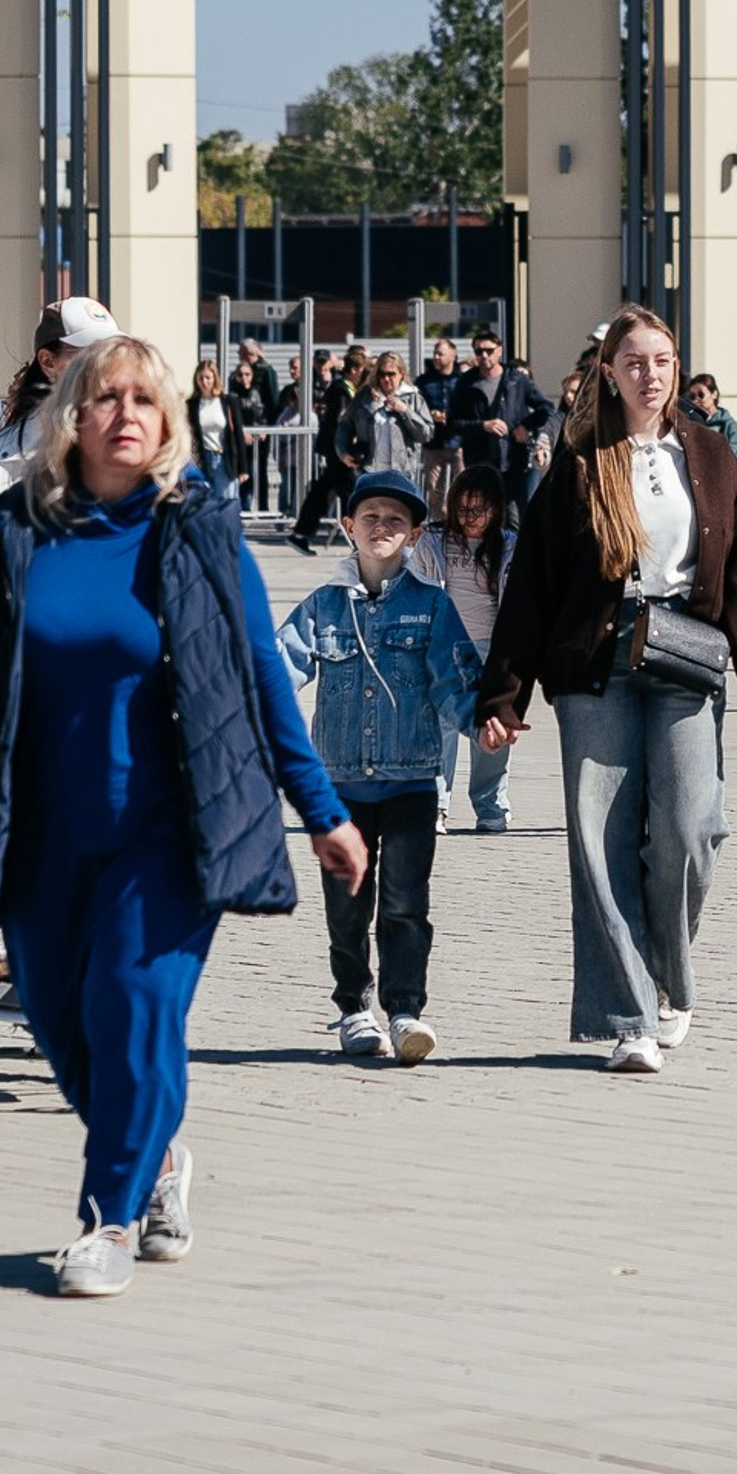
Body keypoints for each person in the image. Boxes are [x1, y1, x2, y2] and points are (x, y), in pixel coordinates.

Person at [0, 333, 367, 1297]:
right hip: (42, 829)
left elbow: (261, 672)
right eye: (105, 398)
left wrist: (323, 811)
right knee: (57, 1022)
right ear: (72, 417)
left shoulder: (197, 527)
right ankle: (162, 1155)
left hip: (172, 826)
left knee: (133, 1009)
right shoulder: (17, 533)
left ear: (168, 421)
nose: (125, 414)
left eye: (144, 400)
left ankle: (110, 1219)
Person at [475, 306, 737, 1075]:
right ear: (609, 374)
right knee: (602, 843)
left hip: (684, 657)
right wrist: (504, 697)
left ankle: (669, 980)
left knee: (690, 831)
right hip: (595, 665)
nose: (650, 374)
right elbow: (533, 584)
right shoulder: (582, 460)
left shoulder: (711, 454)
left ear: (676, 366)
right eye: (634, 363)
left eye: (662, 360)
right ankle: (630, 1018)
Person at [278, 472, 475, 1061]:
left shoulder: (432, 605)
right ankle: (353, 1009)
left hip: (413, 778)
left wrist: (485, 721)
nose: (382, 528)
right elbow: (277, 667)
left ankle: (406, 1010)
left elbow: (455, 679)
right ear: (348, 528)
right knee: (347, 905)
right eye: (371, 517)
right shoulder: (322, 606)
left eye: (396, 520)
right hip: (339, 785)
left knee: (404, 904)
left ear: (413, 534)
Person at [413, 466, 514, 831]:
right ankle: (436, 803)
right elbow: (417, 589)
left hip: (494, 647)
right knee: (440, 727)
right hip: (447, 647)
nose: (470, 519)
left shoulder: (509, 545)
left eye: (479, 510)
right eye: (463, 509)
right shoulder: (432, 542)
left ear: (496, 509)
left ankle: (491, 807)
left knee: (493, 727)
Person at [0, 298, 123, 495]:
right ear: (47, 362)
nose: (104, 366)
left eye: (112, 353)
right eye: (90, 354)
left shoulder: (129, 439)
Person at [449, 331, 552, 505]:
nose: (484, 356)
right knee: (483, 511)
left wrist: (525, 426)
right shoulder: (466, 382)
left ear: (500, 350)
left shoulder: (516, 379)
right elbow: (453, 423)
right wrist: (483, 425)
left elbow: (546, 408)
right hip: (479, 460)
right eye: (479, 351)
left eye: (489, 350)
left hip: (512, 460)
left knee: (513, 517)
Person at [288, 344, 368, 552]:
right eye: (363, 371)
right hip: (339, 453)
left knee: (322, 491)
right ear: (353, 370)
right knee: (352, 496)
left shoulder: (345, 389)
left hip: (335, 452)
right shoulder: (341, 390)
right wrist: (345, 450)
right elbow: (340, 423)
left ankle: (301, 534)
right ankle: (360, 539)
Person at [344, 350, 431, 484]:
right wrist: (343, 452)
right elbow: (345, 425)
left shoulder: (414, 398)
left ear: (402, 374)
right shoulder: (365, 397)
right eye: (382, 374)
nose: (386, 379)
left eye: (391, 374)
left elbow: (426, 434)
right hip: (369, 471)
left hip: (401, 473)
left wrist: (405, 411)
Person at [186, 359, 249, 504]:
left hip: (223, 458)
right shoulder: (192, 404)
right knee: (205, 504)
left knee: (226, 504)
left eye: (208, 377)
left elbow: (238, 435)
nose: (204, 381)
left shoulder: (228, 401)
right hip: (201, 459)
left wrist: (243, 468)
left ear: (215, 378)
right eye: (200, 377)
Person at [416, 336, 463, 515]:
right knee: (434, 491)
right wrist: (430, 414)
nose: (436, 357)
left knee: (461, 488)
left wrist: (450, 415)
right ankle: (437, 527)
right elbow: (417, 407)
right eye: (435, 354)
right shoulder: (424, 381)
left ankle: (458, 526)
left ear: (453, 356)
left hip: (458, 440)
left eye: (440, 354)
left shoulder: (462, 380)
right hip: (433, 442)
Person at [683, 372, 737, 467]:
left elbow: (733, 459)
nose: (696, 400)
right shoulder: (688, 424)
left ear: (714, 394)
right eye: (692, 396)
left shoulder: (728, 425)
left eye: (701, 395)